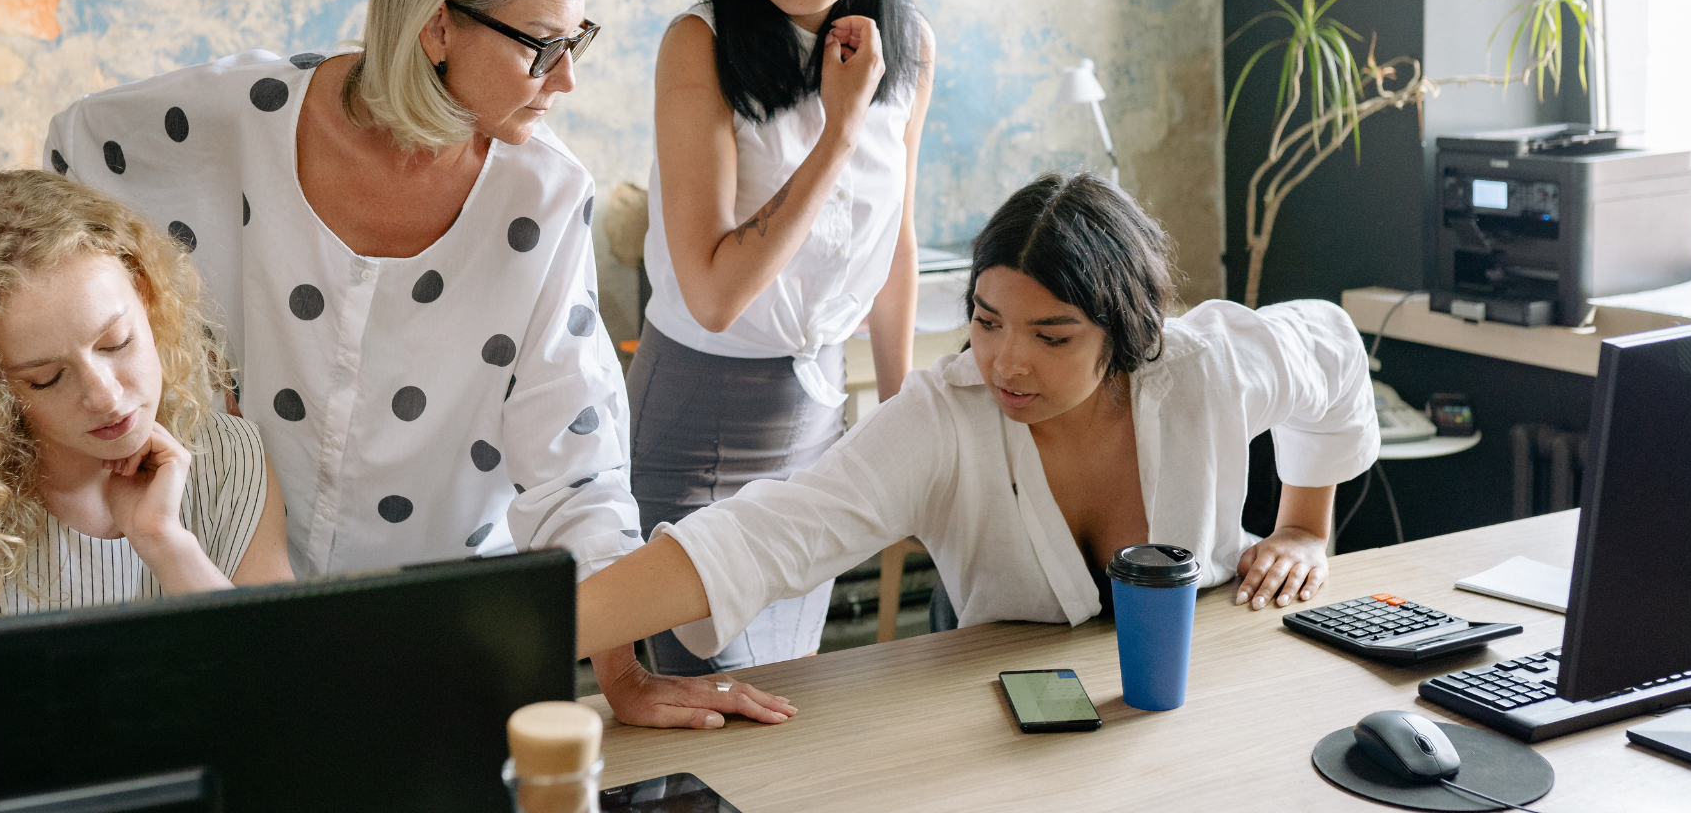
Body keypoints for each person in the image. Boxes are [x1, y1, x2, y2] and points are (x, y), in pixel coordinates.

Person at [44, 0, 786, 728]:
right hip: (230, 593)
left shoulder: (542, 199)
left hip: (443, 636)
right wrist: (170, 362)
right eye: (542, 46)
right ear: (438, 27)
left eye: (576, 40)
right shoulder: (243, 117)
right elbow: (78, 156)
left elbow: (572, 462)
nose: (567, 79)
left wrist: (623, 676)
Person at [578, 172, 1379, 663]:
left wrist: (1304, 525)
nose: (1007, 362)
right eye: (988, 322)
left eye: (1052, 334)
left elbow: (1335, 352)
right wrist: (538, 639)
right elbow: (767, 535)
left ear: (1126, 330)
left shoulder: (1206, 364)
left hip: (1216, 675)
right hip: (1014, 708)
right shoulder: (943, 419)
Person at [631, 0, 935, 675]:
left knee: (786, 700)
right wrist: (838, 131)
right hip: (701, 416)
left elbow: (897, 239)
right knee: (701, 709)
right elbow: (716, 295)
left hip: (821, 419)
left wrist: (903, 413)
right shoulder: (701, 45)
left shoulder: (907, 44)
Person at [0, 170, 293, 632]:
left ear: (149, 301)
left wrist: (165, 544)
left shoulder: (232, 461)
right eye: (47, 378)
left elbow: (285, 694)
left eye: (117, 343)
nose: (106, 396)